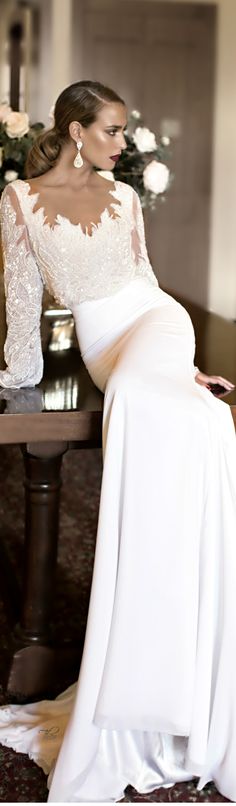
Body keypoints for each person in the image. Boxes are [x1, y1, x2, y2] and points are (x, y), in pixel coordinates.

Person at [0, 80, 236, 803]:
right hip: (106, 338)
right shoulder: (16, 201)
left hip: (156, 324)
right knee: (137, 402)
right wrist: (18, 377)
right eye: (111, 130)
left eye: (125, 131)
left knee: (195, 418)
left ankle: (186, 670)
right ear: (75, 131)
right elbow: (20, 297)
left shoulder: (126, 198)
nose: (122, 143)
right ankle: (143, 655)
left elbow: (147, 279)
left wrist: (185, 365)